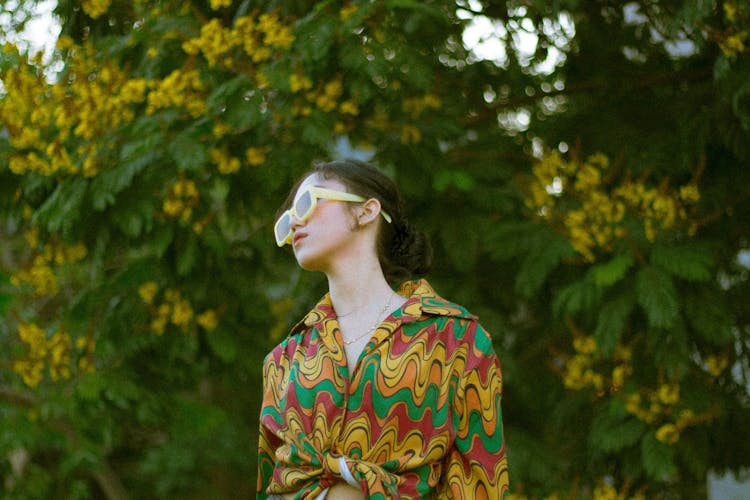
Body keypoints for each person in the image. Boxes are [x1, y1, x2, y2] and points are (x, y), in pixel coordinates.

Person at [257, 159, 508, 499]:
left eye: (308, 203)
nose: (295, 221)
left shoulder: (455, 340)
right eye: (287, 221)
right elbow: (270, 482)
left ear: (366, 211)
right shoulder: (284, 359)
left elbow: (482, 485)